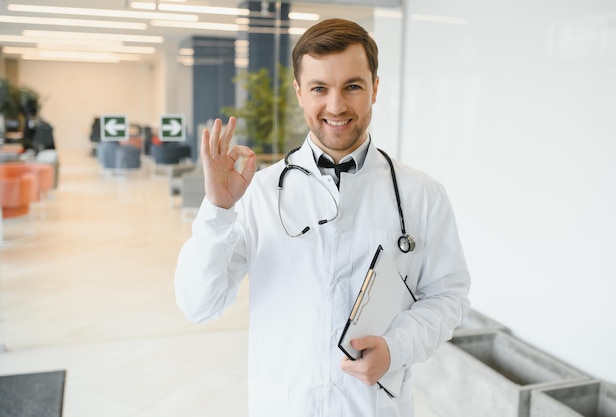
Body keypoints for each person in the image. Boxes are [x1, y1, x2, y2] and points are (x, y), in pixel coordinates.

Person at [175, 18, 470, 417]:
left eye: (352, 86)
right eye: (319, 88)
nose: (336, 106)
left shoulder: (421, 194)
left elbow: (448, 297)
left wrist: (395, 348)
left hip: (374, 405)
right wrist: (218, 210)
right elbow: (198, 304)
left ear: (375, 89)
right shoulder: (257, 193)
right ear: (299, 93)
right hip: (285, 404)